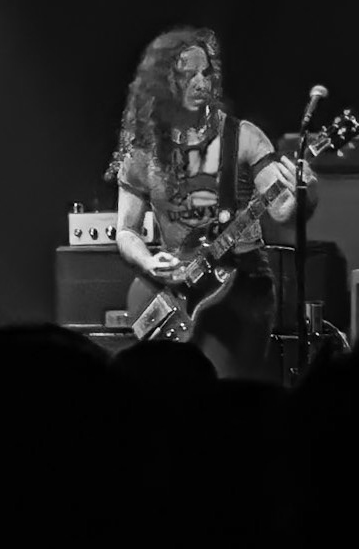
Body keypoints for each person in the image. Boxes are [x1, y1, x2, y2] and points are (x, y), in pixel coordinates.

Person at [107, 27, 298, 380]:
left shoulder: (243, 137)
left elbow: (282, 210)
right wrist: (148, 262)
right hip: (178, 290)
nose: (201, 83)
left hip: (243, 288)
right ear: (163, 84)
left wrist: (302, 195)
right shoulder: (143, 153)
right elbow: (126, 232)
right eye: (188, 75)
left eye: (206, 73)